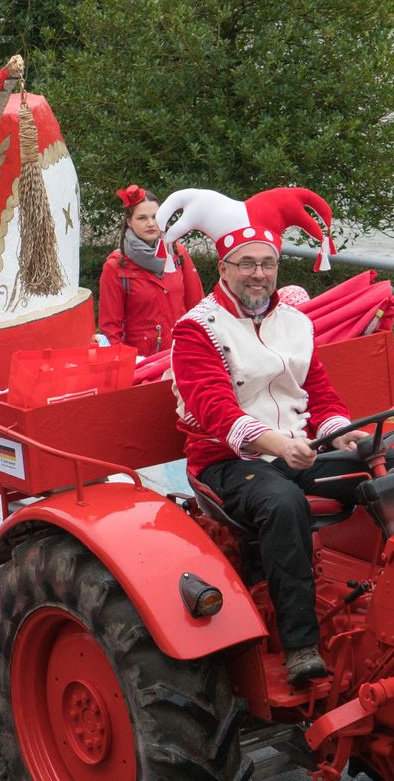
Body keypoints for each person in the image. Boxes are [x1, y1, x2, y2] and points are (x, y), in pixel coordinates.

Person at [163, 186, 360, 686]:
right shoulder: (196, 330)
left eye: (267, 263)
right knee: (282, 503)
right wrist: (277, 445)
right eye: (245, 263)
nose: (258, 274)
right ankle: (300, 646)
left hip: (298, 449)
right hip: (226, 461)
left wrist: (338, 434)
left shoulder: (296, 322)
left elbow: (320, 392)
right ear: (223, 268)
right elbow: (215, 412)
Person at [97, 185, 204, 356]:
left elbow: (198, 309)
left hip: (180, 355)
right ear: (129, 222)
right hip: (140, 362)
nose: (151, 223)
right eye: (142, 218)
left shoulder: (178, 254)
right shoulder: (116, 266)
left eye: (155, 216)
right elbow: (111, 328)